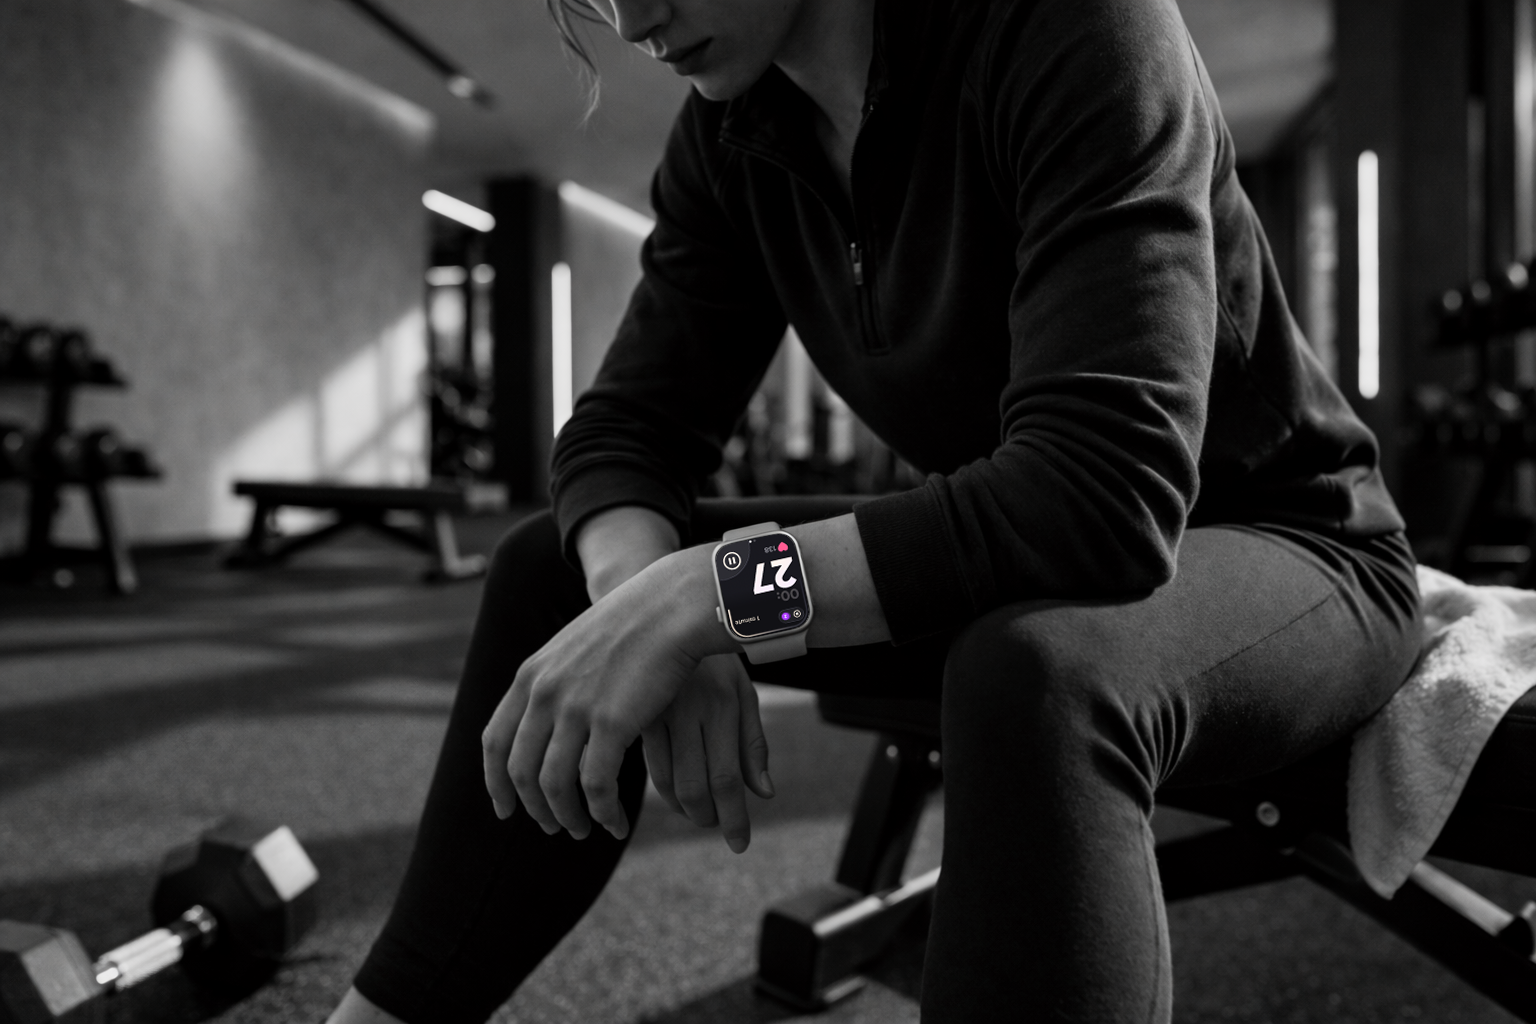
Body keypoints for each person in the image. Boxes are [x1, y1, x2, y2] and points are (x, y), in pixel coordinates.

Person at [327, 0, 1422, 1019]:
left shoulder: (1074, 28)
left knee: (1037, 668)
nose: (630, 18)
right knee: (558, 574)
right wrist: (637, 600)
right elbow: (626, 434)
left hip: (1289, 550)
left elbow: (1102, 494)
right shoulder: (735, 136)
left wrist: (715, 599)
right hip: (1021, 551)